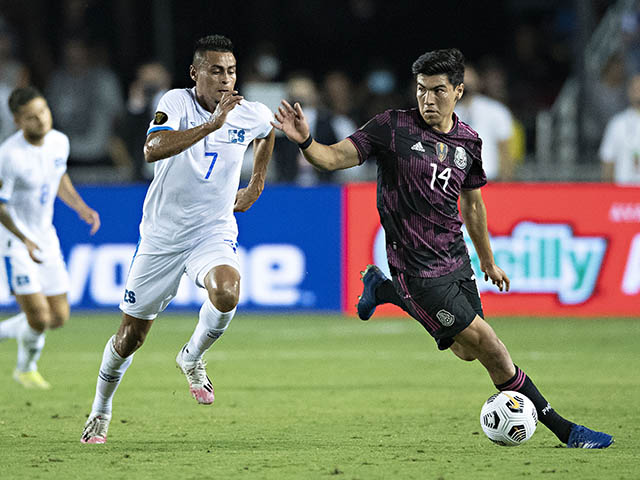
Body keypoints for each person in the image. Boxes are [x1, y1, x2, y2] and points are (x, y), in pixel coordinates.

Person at [272, 48, 613, 449]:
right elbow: (330, 159)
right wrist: (306, 140)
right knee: (492, 347)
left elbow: (471, 202)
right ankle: (566, 430)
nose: (427, 100)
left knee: (468, 353)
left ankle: (383, 291)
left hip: (455, 260)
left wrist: (486, 259)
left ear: (458, 91)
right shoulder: (392, 128)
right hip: (415, 269)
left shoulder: (469, 142)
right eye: (421, 90)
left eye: (437, 91)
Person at [80, 34, 275, 444]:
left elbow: (267, 131)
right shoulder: (175, 102)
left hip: (212, 230)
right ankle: (101, 408)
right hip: (162, 238)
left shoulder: (247, 112)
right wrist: (212, 125)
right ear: (195, 73)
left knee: (227, 291)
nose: (226, 79)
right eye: (216, 70)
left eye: (232, 71)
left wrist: (255, 184)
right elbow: (152, 149)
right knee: (130, 337)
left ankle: (192, 357)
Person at [0, 86, 100, 388]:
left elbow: (58, 177)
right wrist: (22, 237)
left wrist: (80, 206)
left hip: (46, 237)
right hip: (14, 241)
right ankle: (25, 369)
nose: (41, 120)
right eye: (31, 117)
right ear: (18, 122)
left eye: (43, 112)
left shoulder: (59, 142)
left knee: (58, 317)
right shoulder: (9, 155)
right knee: (39, 318)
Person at [454, 64, 514, 181]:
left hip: (490, 180)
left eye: (469, 80)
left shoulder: (496, 110)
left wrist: (506, 182)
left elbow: (505, 150)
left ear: (477, 81)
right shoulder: (448, 113)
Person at [599, 73, 640, 184]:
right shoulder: (617, 124)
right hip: (622, 194)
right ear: (629, 91)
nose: (638, 91)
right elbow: (608, 161)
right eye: (635, 88)